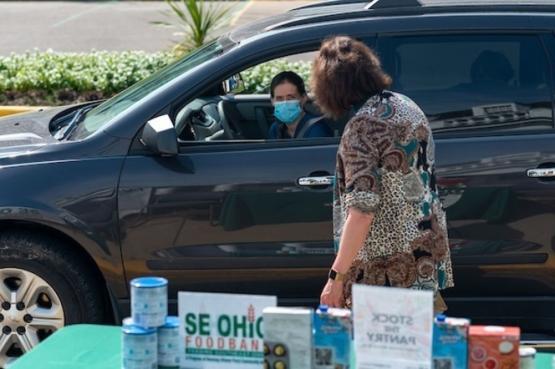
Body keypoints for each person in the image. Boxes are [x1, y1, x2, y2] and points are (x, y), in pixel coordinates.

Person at [313, 36, 453, 312]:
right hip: (423, 257)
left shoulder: (361, 128)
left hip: (383, 274)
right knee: (422, 348)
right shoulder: (406, 106)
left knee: (379, 353)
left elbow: (362, 212)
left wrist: (336, 278)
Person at [268, 71, 333, 139]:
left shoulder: (317, 130)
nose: (285, 103)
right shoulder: (275, 129)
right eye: (279, 99)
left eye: (290, 98)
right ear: (272, 101)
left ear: (304, 98)